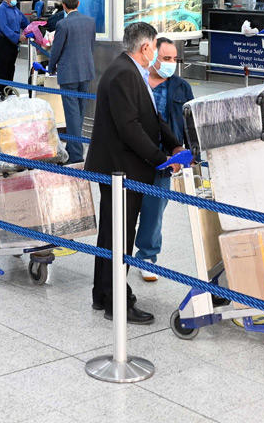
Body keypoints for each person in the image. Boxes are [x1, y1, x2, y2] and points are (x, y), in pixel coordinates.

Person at [85, 22, 184, 325]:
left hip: (121, 169)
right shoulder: (124, 74)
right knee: (120, 237)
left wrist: (174, 144)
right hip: (121, 170)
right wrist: (160, 159)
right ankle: (116, 302)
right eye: (155, 47)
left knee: (112, 234)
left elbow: (151, 117)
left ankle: (103, 293)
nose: (156, 54)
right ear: (145, 47)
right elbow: (130, 128)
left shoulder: (130, 71)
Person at [135, 37, 194, 281]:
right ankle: (117, 253)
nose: (171, 63)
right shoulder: (136, 82)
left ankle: (147, 256)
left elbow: (190, 123)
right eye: (166, 58)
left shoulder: (181, 87)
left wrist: (190, 155)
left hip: (164, 160)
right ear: (152, 57)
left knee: (154, 211)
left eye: (174, 59)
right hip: (133, 156)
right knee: (125, 209)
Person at [47, 0, 95, 164]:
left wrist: (51, 66)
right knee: (79, 113)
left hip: (69, 74)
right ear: (78, 4)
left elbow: (56, 49)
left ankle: (75, 154)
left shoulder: (63, 24)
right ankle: (74, 147)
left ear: (64, 5)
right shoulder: (90, 22)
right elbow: (91, 45)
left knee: (72, 114)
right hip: (86, 71)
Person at [0, 0, 28, 98]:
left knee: (10, 67)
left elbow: (24, 21)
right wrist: (17, 37)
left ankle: (9, 89)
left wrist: (32, 29)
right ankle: (3, 90)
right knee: (2, 67)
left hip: (13, 42)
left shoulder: (15, 9)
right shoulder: (1, 10)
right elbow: (4, 28)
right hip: (3, 42)